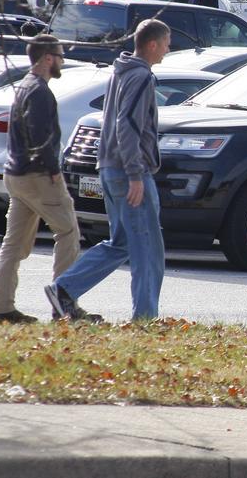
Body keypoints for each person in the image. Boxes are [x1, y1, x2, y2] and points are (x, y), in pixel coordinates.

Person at [44, 19, 171, 322]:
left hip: (110, 168)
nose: (169, 49)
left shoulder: (121, 71)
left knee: (122, 243)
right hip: (129, 172)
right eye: (166, 43)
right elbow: (126, 124)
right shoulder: (140, 76)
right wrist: (136, 173)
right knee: (148, 250)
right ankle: (145, 319)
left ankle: (64, 289)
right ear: (152, 44)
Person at [0, 35, 88, 325]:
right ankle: (64, 304)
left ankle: (0, 309)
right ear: (47, 58)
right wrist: (52, 169)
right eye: (59, 54)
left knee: (13, 245)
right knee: (68, 232)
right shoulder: (40, 92)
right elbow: (39, 134)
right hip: (37, 176)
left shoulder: (23, 86)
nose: (62, 60)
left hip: (15, 175)